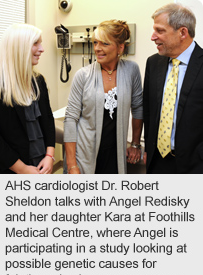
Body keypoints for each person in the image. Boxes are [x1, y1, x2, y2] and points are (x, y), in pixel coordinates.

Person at [64, 20, 143, 174]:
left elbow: (138, 107)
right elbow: (70, 119)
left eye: (105, 44)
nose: (97, 49)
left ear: (120, 47)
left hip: (116, 153)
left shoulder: (131, 70)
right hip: (85, 154)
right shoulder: (83, 75)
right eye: (95, 43)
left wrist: (135, 144)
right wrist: (72, 164)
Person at [143, 3, 203, 174]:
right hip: (157, 162)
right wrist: (148, 148)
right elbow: (149, 111)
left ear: (182, 32)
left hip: (195, 166)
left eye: (160, 31)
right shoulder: (153, 63)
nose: (153, 37)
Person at [0, 24, 55, 174]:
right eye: (35, 43)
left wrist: (49, 156)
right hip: (10, 169)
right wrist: (22, 169)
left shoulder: (38, 80)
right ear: (19, 47)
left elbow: (47, 119)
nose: (42, 49)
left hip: (42, 164)